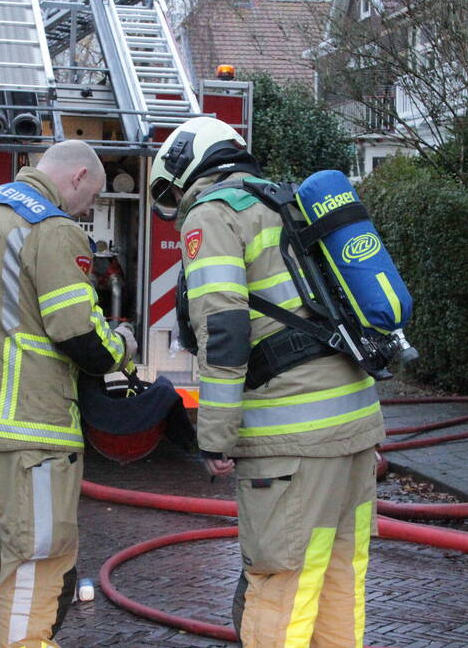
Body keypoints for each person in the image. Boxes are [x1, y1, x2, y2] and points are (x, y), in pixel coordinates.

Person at [149, 117, 383, 647]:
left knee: (280, 584)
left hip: (291, 441)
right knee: (339, 582)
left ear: (189, 166)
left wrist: (215, 436)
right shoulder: (289, 203)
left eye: (171, 192)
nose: (176, 203)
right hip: (354, 426)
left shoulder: (214, 215)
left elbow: (225, 333)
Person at [0, 140, 137, 648]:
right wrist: (124, 347)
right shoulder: (52, 229)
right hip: (30, 430)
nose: (88, 210)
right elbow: (78, 334)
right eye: (90, 198)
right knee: (36, 563)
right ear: (75, 179)